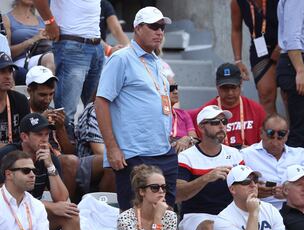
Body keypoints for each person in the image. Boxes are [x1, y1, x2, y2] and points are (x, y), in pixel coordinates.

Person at [95, 6, 177, 211]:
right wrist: (112, 148)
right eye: (154, 26)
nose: (159, 31)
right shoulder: (121, 58)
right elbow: (101, 102)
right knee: (136, 219)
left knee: (165, 216)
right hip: (134, 153)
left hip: (163, 151)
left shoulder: (157, 62)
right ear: (138, 28)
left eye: (162, 27)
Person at [26, 65, 114, 200]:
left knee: (110, 160)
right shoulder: (22, 110)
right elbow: (19, 143)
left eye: (51, 94)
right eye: (42, 95)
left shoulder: (57, 113)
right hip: (37, 158)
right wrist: (40, 122)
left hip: (63, 158)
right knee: (69, 161)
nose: (47, 99)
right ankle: (67, 206)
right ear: (30, 91)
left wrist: (60, 128)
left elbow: (71, 151)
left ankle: (102, 209)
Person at [0, 112, 81, 230]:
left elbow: (61, 198)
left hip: (34, 214)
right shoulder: (7, 155)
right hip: (9, 213)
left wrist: (49, 165)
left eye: (47, 134)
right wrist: (50, 206)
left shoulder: (50, 158)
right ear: (24, 136)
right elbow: (4, 196)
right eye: (39, 134)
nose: (44, 139)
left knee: (71, 216)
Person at [176, 105, 244, 230]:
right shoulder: (186, 157)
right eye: (215, 122)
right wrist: (206, 178)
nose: (221, 126)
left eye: (224, 122)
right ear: (201, 127)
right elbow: (178, 194)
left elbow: (244, 189)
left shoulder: (235, 154)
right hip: (196, 216)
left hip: (230, 215)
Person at [33, 0, 105, 126]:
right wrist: (49, 22)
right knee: (66, 114)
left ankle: (87, 145)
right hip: (72, 44)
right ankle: (64, 145)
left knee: (94, 112)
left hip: (96, 45)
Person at [276, 0, 304, 155]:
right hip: (297, 64)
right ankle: (294, 177)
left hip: (303, 63)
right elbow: (291, 37)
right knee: (301, 132)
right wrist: (301, 71)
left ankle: (300, 176)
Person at [190, 63, 266, 150]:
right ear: (217, 86)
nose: (230, 92)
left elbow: (264, 144)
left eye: (233, 87)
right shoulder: (206, 112)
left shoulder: (257, 110)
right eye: (225, 88)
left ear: (241, 84)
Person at [214, 165, 290, 230]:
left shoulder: (271, 209)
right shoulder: (224, 220)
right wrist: (253, 213)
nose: (253, 185)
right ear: (232, 189)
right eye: (246, 181)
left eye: (255, 180)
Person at [230, 0, 280, 114]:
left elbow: (291, 22)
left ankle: (292, 131)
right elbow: (236, 29)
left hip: (284, 45)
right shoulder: (237, 2)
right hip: (259, 48)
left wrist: (282, 45)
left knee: (288, 94)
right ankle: (270, 131)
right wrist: (238, 60)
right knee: (265, 94)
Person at [117, 164, 177, 230]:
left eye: (163, 187)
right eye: (155, 187)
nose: (161, 191)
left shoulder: (170, 217)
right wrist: (158, 218)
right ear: (142, 191)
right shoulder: (125, 219)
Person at [0, 150, 50, 230]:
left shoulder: (37, 206)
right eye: (26, 170)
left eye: (34, 171)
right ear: (8, 174)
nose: (32, 175)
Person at [3, 0, 55, 72]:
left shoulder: (42, 20)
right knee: (50, 58)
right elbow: (6, 53)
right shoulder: (6, 19)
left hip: (44, 57)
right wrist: (32, 40)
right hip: (20, 63)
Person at [0, 52, 30, 147]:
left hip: (16, 155)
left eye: (10, 71)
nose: (8, 76)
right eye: (2, 72)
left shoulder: (21, 100)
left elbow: (28, 136)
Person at [169, 80, 198, 154]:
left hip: (184, 152)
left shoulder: (183, 114)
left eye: (176, 88)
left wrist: (187, 138)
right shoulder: (154, 115)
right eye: (171, 89)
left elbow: (194, 139)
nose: (176, 92)